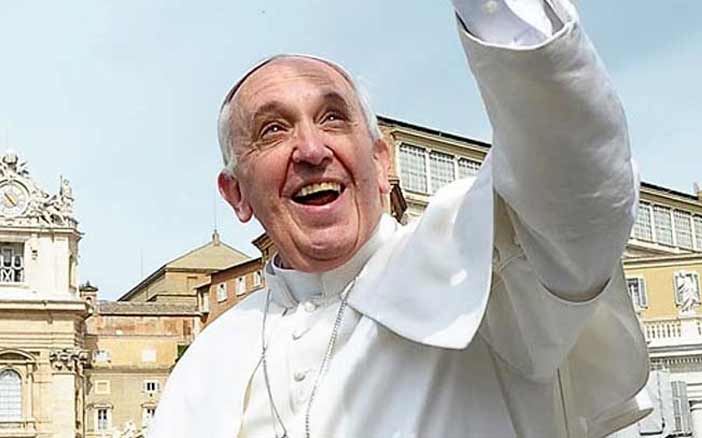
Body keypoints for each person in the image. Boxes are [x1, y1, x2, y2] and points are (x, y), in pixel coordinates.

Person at [149, 1, 650, 437]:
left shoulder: (483, 262)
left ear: (382, 162)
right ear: (236, 195)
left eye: (332, 117)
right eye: (273, 130)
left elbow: (575, 180)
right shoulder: (208, 361)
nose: (310, 149)